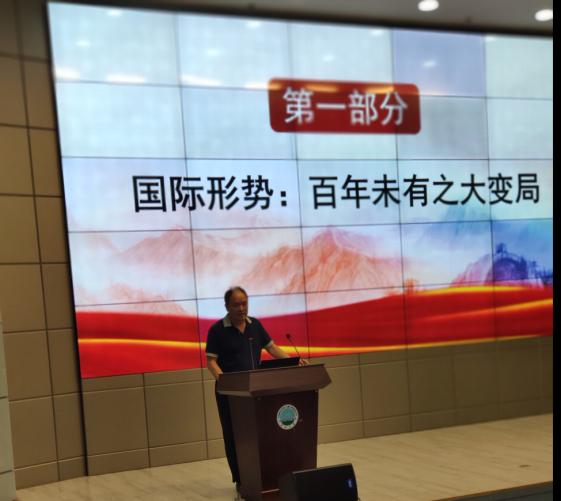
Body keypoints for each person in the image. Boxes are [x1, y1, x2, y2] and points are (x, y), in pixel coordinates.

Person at [205, 286, 306, 494]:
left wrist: (294, 361)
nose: (241, 308)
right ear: (227, 306)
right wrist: (223, 380)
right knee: (235, 436)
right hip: (230, 394)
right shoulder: (217, 330)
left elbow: (272, 348)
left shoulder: (255, 325)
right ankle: (241, 480)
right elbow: (211, 362)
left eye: (244, 303)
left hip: (256, 390)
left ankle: (262, 476)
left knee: (260, 434)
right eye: (236, 305)